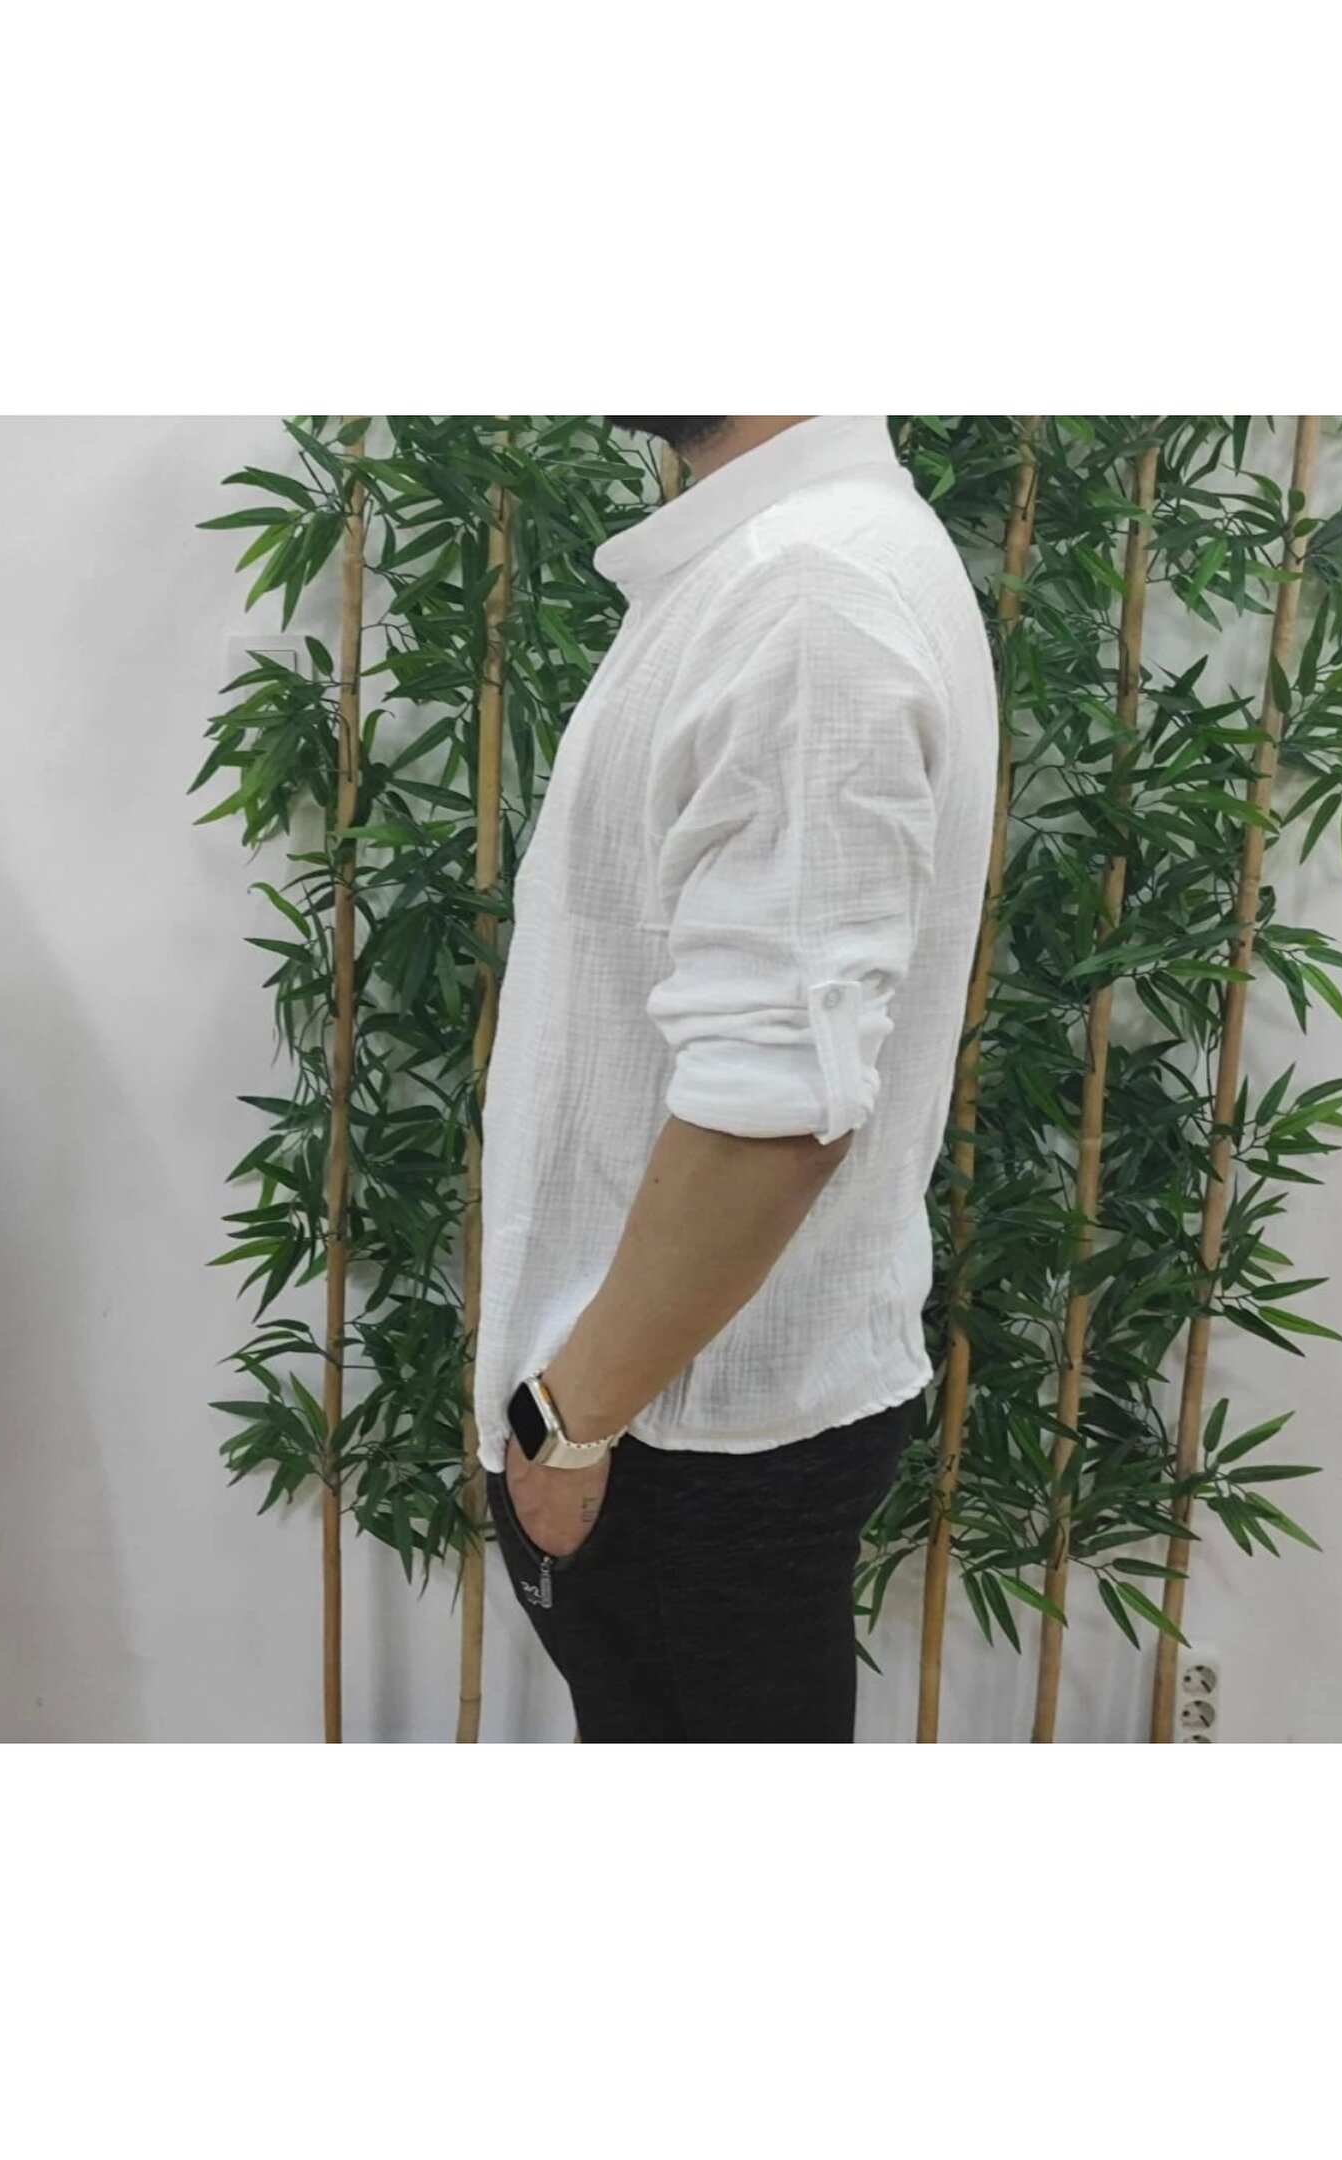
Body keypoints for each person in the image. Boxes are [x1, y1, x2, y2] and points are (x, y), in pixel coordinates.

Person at [471, 415, 997, 1742]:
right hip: (682, 1415)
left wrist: (567, 1423)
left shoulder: (806, 591)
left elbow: (775, 1106)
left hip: (675, 1434)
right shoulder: (791, 561)